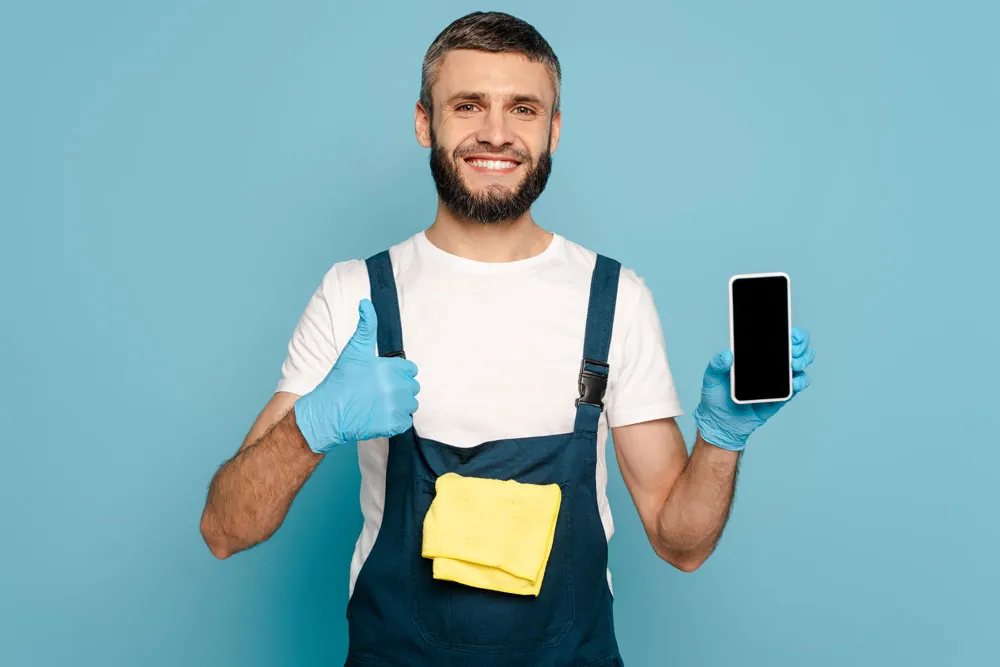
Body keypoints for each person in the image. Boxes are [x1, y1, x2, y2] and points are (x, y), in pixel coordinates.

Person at [199, 11, 815, 666]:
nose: (496, 132)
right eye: (468, 105)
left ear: (552, 131)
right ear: (424, 122)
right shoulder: (355, 295)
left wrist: (722, 437)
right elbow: (224, 529)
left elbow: (680, 542)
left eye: (523, 109)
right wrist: (312, 424)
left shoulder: (615, 299)